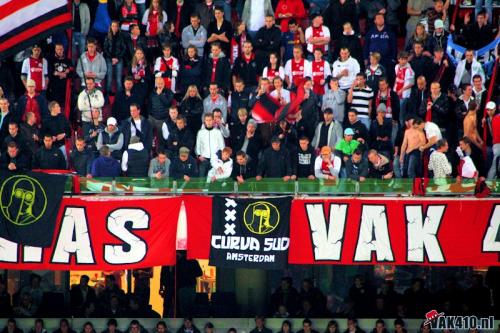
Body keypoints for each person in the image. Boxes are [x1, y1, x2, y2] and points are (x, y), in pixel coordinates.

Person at [364, 14, 397, 81]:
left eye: (382, 18)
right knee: (373, 79)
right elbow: (366, 46)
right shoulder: (370, 32)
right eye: (378, 18)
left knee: (386, 79)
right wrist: (365, 58)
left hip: (386, 60)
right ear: (375, 21)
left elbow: (394, 46)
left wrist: (393, 59)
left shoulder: (390, 32)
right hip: (372, 60)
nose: (380, 20)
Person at [103, 21, 126, 95]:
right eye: (113, 26)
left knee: (118, 78)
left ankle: (119, 93)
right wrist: (111, 58)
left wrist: (117, 58)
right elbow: (105, 48)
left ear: (118, 27)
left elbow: (123, 48)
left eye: (116, 26)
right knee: (109, 76)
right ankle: (108, 92)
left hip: (118, 58)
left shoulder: (121, 37)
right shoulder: (107, 36)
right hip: (109, 58)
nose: (114, 27)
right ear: (110, 27)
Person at [48, 43, 72, 108]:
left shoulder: (68, 60)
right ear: (55, 49)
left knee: (63, 106)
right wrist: (62, 73)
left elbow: (72, 73)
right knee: (54, 106)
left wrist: (60, 74)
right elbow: (50, 72)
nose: (59, 51)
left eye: (61, 49)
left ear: (63, 49)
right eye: (58, 49)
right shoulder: (51, 60)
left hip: (64, 87)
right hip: (54, 87)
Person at [394, 51, 415, 124]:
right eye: (401, 59)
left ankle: (402, 128)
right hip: (397, 92)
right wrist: (394, 89)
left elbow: (412, 83)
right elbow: (396, 78)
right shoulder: (396, 67)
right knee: (396, 111)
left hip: (404, 95)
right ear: (398, 59)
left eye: (404, 59)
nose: (403, 61)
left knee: (401, 113)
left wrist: (402, 90)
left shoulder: (409, 70)